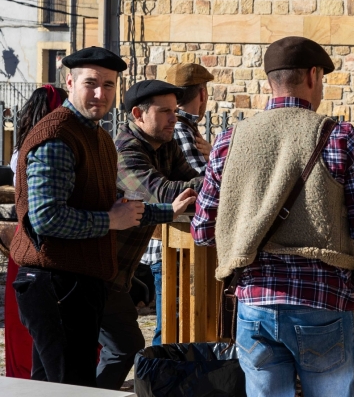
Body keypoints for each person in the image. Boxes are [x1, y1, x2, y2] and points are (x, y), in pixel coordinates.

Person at [191, 36, 354, 397]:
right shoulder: (339, 137)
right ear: (314, 76)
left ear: (269, 81)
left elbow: (203, 231)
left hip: (255, 302)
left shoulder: (229, 140)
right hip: (322, 303)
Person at [10, 46, 167, 387]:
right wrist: (112, 221)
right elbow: (46, 219)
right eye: (91, 83)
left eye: (109, 85)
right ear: (69, 82)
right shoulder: (57, 137)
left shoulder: (98, 137)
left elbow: (109, 204)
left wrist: (172, 209)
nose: (100, 93)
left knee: (49, 388)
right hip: (56, 284)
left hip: (76, 283)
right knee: (71, 387)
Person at [97, 79, 201, 389]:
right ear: (138, 114)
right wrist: (217, 178)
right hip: (93, 270)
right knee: (121, 347)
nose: (175, 118)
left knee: (121, 347)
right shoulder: (124, 150)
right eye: (166, 111)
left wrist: (209, 181)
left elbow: (192, 182)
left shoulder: (165, 145)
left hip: (117, 272)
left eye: (176, 111)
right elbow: (164, 194)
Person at [5, 85, 67, 379]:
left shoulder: (20, 149)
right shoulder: (44, 147)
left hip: (22, 235)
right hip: (40, 236)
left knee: (27, 315)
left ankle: (29, 370)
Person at [165, 62, 213, 174]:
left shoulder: (179, 124)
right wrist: (216, 156)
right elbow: (205, 183)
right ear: (203, 94)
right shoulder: (180, 128)